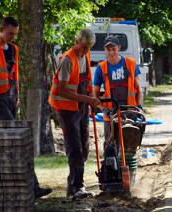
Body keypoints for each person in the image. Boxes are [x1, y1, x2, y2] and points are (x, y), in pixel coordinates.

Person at [0, 16, 52, 199]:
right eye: (10, 33)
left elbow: (13, 76)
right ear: (1, 28)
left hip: (11, 99)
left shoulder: (14, 50)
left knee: (13, 143)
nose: (13, 37)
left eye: (15, 34)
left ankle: (17, 185)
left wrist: (17, 98)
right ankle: (33, 187)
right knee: (19, 140)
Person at [48, 29, 101, 199]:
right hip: (66, 108)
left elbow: (86, 82)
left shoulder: (85, 56)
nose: (86, 51)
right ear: (77, 41)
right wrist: (87, 98)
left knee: (84, 147)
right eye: (84, 47)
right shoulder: (67, 60)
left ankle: (73, 184)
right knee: (75, 148)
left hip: (81, 106)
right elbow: (63, 90)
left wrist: (91, 99)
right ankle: (77, 187)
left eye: (89, 48)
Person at [93, 36, 143, 145]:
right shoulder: (101, 68)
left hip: (129, 111)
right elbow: (95, 95)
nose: (111, 52)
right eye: (108, 49)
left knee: (129, 142)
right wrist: (103, 109)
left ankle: (128, 161)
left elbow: (138, 89)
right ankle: (110, 160)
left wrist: (138, 107)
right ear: (105, 50)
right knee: (110, 144)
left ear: (119, 48)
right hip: (111, 113)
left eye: (114, 49)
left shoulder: (130, 64)